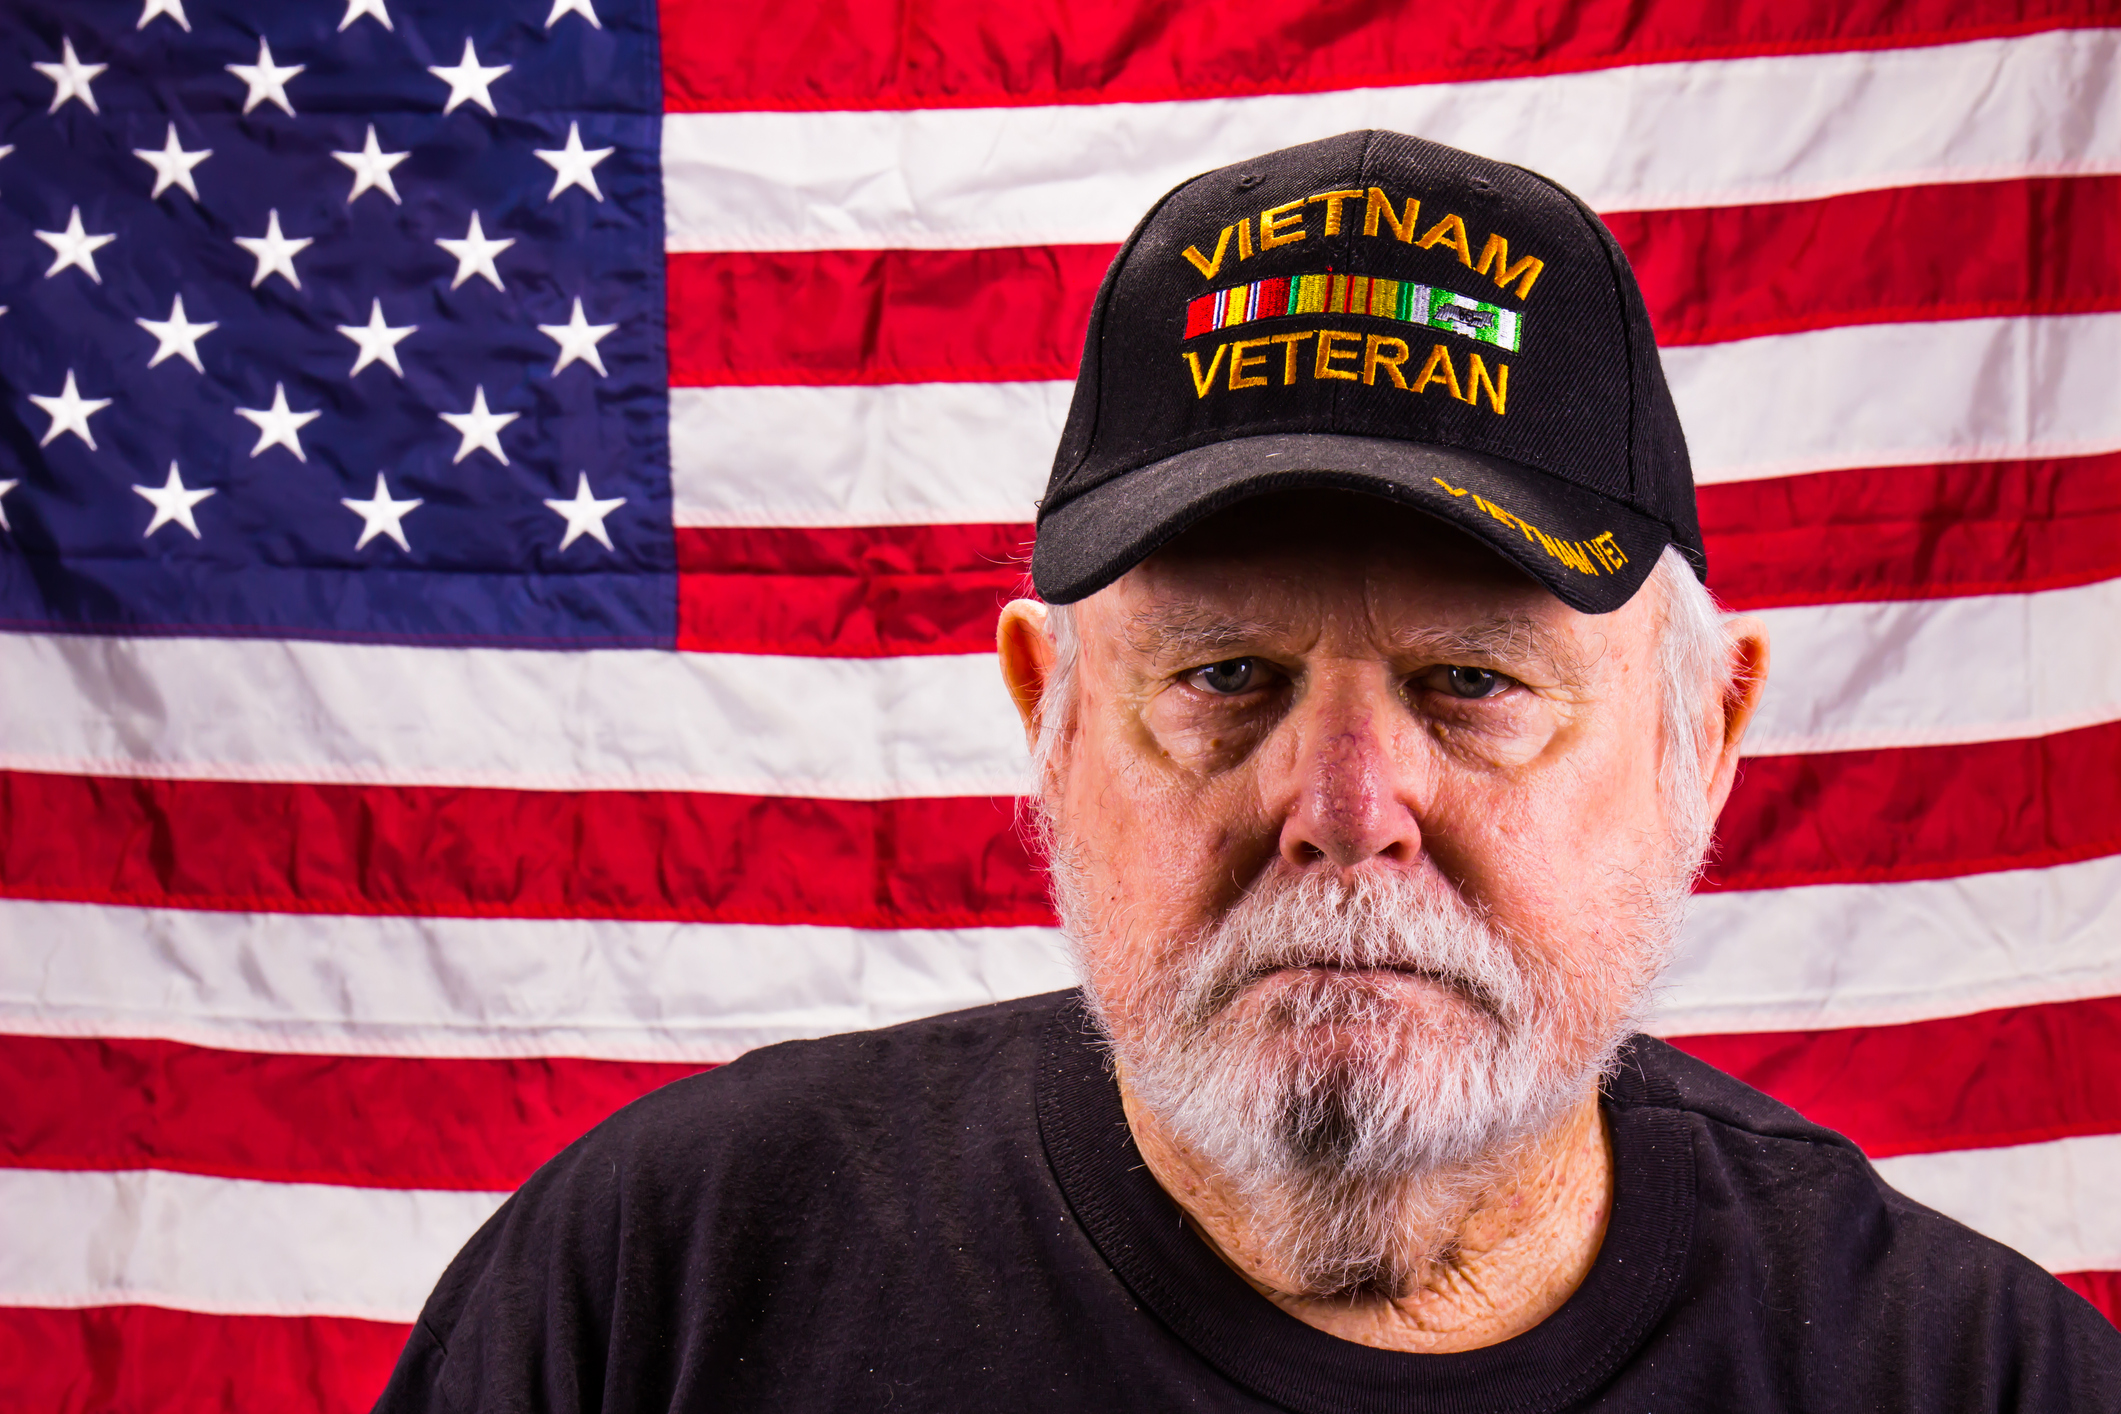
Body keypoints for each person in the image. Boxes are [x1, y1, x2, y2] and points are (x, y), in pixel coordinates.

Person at [372, 131, 2121, 1411]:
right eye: (1224, 677)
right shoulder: (662, 1296)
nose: (1346, 811)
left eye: (1470, 683)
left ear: (1702, 744)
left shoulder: (1967, 1377)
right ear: (1045, 718)